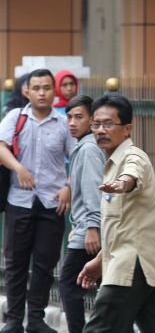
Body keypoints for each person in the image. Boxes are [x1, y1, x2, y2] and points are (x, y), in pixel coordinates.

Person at [76, 93, 155, 333]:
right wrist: (99, 261)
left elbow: (133, 173)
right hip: (131, 263)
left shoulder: (134, 156)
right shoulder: (110, 164)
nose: (101, 130)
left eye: (109, 124)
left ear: (127, 128)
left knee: (100, 328)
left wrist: (123, 183)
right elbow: (121, 226)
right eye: (96, 124)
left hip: (132, 266)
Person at [0, 69, 76, 333]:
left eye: (46, 88)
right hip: (18, 201)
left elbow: (76, 157)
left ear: (53, 91)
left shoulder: (63, 123)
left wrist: (68, 187)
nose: (42, 93)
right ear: (26, 91)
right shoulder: (15, 117)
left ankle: (35, 319)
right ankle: (13, 320)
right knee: (16, 262)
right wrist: (19, 169)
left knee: (45, 263)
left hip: (52, 202)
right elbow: (1, 147)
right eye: (37, 88)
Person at [58, 95, 104, 333]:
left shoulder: (88, 149)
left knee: (69, 285)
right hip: (85, 229)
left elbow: (92, 190)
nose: (72, 123)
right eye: (69, 117)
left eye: (79, 117)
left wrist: (91, 228)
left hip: (90, 233)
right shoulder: (84, 147)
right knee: (104, 287)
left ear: (91, 120)